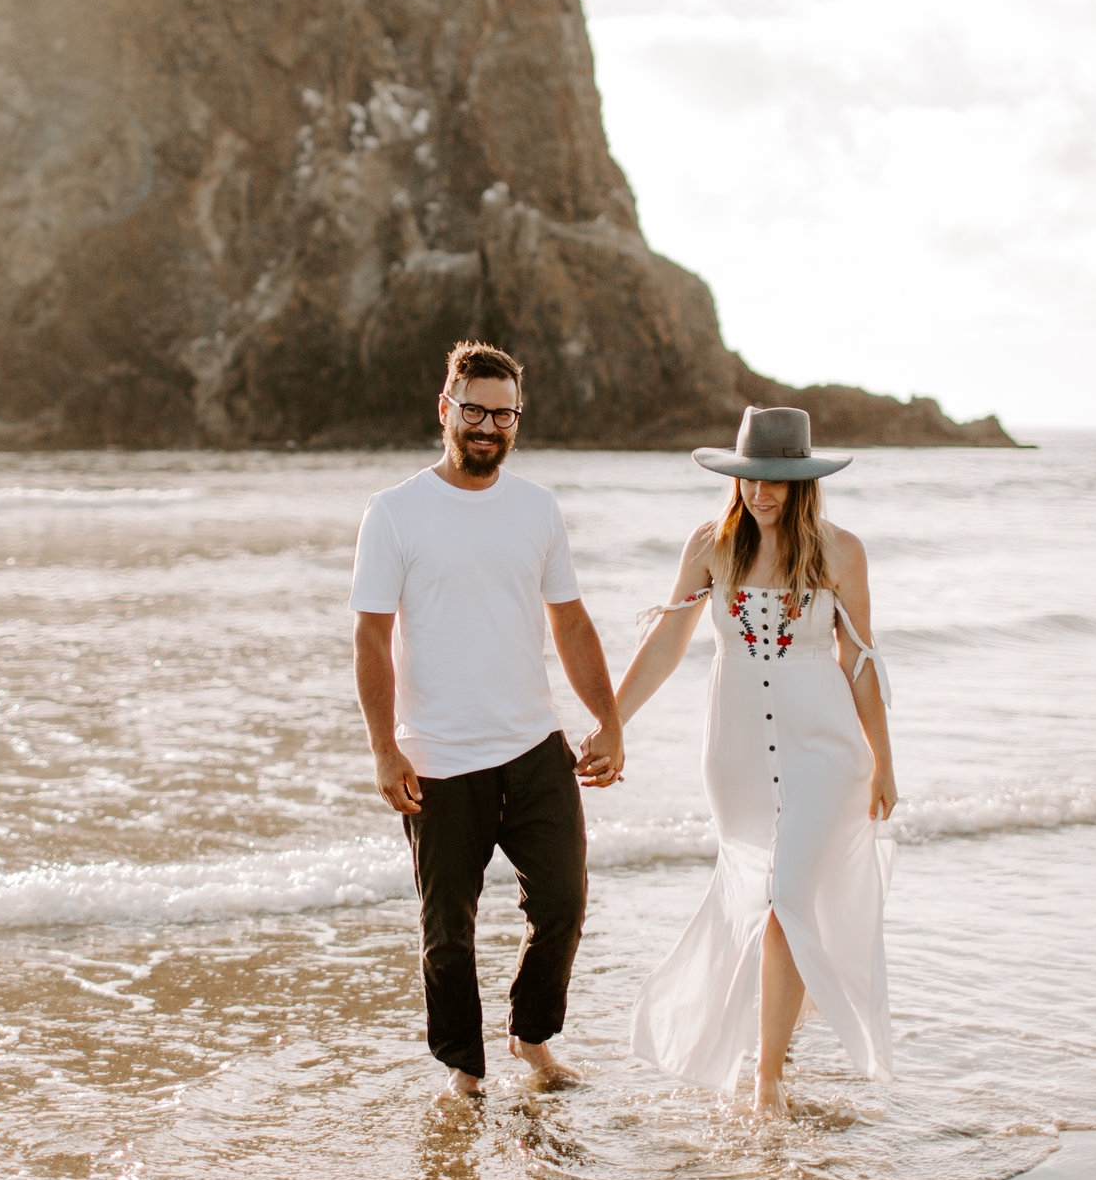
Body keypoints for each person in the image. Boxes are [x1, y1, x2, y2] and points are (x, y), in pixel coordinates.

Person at [349, 340, 624, 1098]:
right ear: (446, 408)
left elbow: (569, 621)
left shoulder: (537, 507)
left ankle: (531, 1036)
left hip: (535, 745)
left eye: (505, 414)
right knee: (448, 933)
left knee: (564, 901)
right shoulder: (395, 512)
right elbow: (370, 636)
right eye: (474, 409)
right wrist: (383, 749)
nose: (488, 426)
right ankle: (465, 1072)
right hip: (438, 756)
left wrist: (609, 718)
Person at [615, 406, 898, 1118]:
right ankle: (772, 1037)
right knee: (759, 897)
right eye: (749, 478)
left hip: (826, 749)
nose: (761, 492)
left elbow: (858, 663)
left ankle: (766, 1077)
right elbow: (667, 644)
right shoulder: (710, 548)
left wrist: (883, 759)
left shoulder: (841, 552)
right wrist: (610, 719)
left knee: (791, 897)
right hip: (737, 750)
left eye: (776, 479)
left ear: (802, 480)